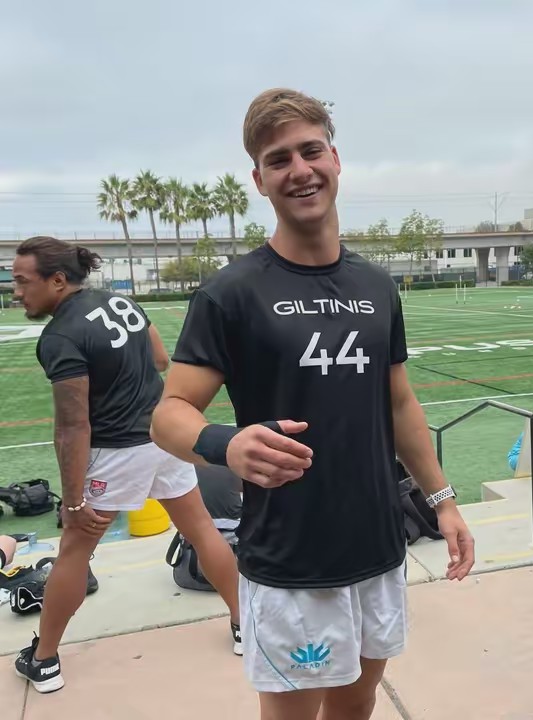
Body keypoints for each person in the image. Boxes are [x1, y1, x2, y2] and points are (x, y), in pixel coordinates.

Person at [150, 88, 476, 720]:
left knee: (357, 703)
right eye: (279, 160)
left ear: (335, 158)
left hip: (378, 546)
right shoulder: (231, 293)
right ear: (259, 180)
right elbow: (168, 415)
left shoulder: (375, 285)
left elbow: (400, 404)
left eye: (311, 151)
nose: (299, 170)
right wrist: (227, 444)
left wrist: (443, 501)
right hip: (289, 559)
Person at [10, 237, 242, 695]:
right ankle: (244, 626)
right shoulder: (120, 302)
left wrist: (72, 501)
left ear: (57, 280)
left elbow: (73, 426)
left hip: (115, 451)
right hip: (161, 435)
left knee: (75, 551)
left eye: (22, 281)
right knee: (202, 530)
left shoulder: (60, 336)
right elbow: (159, 359)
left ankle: (44, 659)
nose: (16, 292)